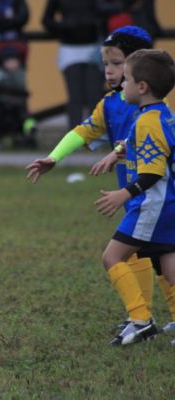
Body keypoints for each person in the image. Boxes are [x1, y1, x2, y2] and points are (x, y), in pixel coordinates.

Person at [26, 27, 175, 342]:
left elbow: (153, 142)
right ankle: (141, 315)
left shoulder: (148, 104)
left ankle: (143, 318)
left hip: (149, 193)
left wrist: (118, 159)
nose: (109, 70)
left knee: (149, 254)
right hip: (143, 195)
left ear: (137, 70)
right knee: (156, 253)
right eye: (105, 63)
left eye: (117, 63)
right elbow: (83, 133)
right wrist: (55, 157)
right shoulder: (109, 104)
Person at [95, 49, 175, 345]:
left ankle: (140, 319)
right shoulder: (164, 116)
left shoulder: (146, 122)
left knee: (112, 256)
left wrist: (123, 194)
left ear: (142, 87)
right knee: (167, 265)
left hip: (151, 205)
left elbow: (153, 173)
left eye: (126, 79)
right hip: (169, 204)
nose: (122, 85)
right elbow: (166, 155)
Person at [42, 0, 106, 128]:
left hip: (92, 47)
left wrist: (95, 24)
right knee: (75, 96)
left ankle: (95, 135)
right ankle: (75, 135)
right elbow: (46, 20)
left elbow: (106, 11)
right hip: (69, 48)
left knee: (94, 94)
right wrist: (64, 28)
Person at [0, 46, 37, 148]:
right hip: (0, 104)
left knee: (25, 116)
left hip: (17, 104)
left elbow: (22, 88)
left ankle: (30, 130)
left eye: (14, 61)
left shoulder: (20, 73)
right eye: (9, 61)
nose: (12, 64)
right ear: (3, 62)